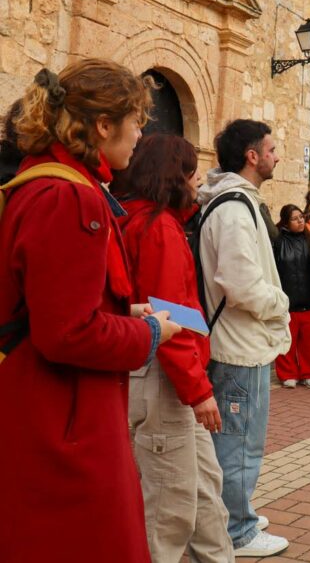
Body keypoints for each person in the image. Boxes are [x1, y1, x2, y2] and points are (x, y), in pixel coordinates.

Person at [0, 62, 180, 561]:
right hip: (64, 420)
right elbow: (68, 333)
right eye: (136, 121)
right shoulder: (69, 196)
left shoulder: (45, 181)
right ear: (103, 125)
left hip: (51, 407)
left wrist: (123, 313)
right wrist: (149, 332)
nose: (140, 135)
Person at [113, 133, 234, 561]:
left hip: (166, 371)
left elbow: (171, 307)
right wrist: (198, 389)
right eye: (191, 171)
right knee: (170, 504)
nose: (198, 179)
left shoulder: (140, 220)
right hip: (165, 376)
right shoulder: (158, 228)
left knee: (202, 490)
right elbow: (167, 315)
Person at [197, 118, 291, 557]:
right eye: (271, 150)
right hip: (239, 345)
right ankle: (237, 530)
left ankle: (235, 514)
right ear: (252, 156)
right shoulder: (234, 209)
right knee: (238, 444)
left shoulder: (235, 202)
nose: (277, 157)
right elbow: (240, 285)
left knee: (239, 441)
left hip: (241, 341)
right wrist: (280, 302)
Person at [273, 204, 310, 389]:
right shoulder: (277, 242)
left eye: (301, 217)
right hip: (288, 300)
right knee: (287, 340)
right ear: (286, 222)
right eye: (295, 219)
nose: (300, 221)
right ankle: (288, 373)